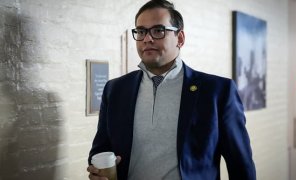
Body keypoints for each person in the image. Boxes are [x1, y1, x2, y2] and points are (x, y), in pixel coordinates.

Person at [87, 0, 256, 179]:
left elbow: (240, 164)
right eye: (141, 31)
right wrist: (98, 172)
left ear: (180, 38)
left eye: (158, 30)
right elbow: (101, 149)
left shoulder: (217, 91)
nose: (147, 38)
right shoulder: (115, 90)